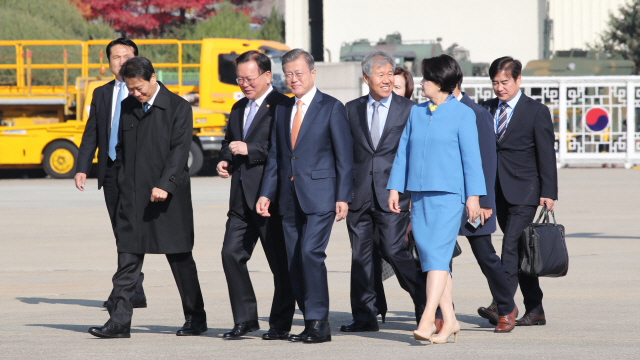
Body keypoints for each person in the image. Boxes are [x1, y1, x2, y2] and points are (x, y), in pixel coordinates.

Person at [88, 57, 207, 338]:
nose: (135, 94)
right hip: (132, 196)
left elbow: (179, 152)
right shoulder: (128, 106)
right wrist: (120, 180)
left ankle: (195, 318)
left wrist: (165, 184)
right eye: (130, 89)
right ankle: (119, 322)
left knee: (180, 259)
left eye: (139, 88)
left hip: (168, 199)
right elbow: (120, 148)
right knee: (127, 260)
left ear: (153, 78)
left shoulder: (178, 107)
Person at [256, 49, 353, 344]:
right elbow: (276, 156)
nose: (293, 79)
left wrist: (343, 196)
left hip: (321, 196)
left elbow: (344, 158)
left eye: (299, 73)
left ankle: (319, 322)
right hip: (287, 197)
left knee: (311, 254)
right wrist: (266, 193)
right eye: (288, 74)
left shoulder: (332, 107)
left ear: (312, 73)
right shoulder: (283, 109)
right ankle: (310, 320)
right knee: (294, 261)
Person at [387, 54, 486, 344]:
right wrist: (395, 188)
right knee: (432, 259)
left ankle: (428, 317)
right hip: (418, 197)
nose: (421, 83)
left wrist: (474, 197)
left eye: (426, 78)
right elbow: (403, 151)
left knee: (438, 258)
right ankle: (451, 320)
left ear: (441, 82)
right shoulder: (417, 112)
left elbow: (472, 160)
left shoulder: (464, 114)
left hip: (448, 197)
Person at [341, 51, 426, 333]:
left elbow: (417, 155)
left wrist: (412, 194)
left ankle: (424, 299)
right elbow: (343, 154)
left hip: (394, 195)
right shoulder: (351, 109)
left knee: (393, 248)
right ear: (367, 78)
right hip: (358, 194)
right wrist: (341, 193)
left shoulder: (409, 109)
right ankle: (365, 315)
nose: (387, 79)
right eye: (381, 74)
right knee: (360, 256)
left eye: (390, 73)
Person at [216, 50, 295, 340]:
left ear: (265, 75)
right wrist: (225, 158)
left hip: (269, 197)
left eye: (249, 79)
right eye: (239, 79)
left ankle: (280, 323)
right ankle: (246, 319)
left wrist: (252, 150)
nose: (244, 84)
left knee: (280, 264)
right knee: (230, 254)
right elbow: (229, 141)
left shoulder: (283, 106)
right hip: (239, 199)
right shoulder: (238, 107)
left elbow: (286, 148)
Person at [480, 56, 558, 327]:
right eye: (495, 83)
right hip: (496, 190)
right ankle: (535, 308)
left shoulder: (535, 110)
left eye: (505, 82)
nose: (500, 88)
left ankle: (502, 304)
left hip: (526, 190)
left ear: (518, 80)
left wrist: (549, 191)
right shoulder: (486, 108)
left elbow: (546, 153)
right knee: (524, 251)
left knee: (510, 245)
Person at [74, 38, 147, 309]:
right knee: (121, 231)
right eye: (116, 57)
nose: (121, 61)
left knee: (132, 230)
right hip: (109, 171)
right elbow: (91, 131)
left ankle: (124, 292)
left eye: (127, 56)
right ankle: (134, 289)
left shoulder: (143, 92)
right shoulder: (101, 93)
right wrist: (83, 167)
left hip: (136, 171)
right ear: (108, 63)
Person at [453, 73, 518, 333]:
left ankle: (506, 306)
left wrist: (484, 200)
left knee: (485, 256)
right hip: (445, 197)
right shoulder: (434, 111)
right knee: (441, 259)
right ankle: (441, 312)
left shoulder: (476, 113)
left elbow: (487, 160)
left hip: (474, 200)